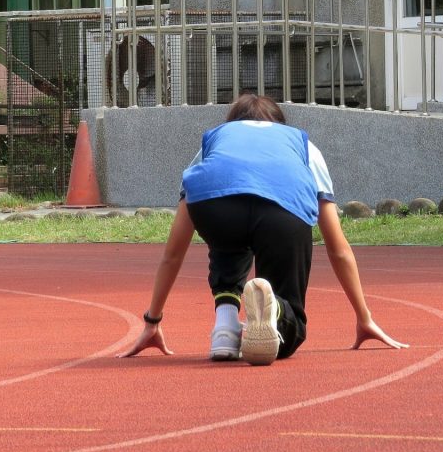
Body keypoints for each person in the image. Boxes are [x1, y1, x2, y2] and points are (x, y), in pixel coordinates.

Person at [119, 93, 407, 365]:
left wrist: (152, 320)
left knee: (229, 236)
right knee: (290, 329)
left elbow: (173, 252)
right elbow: (337, 247)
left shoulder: (217, 140)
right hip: (282, 213)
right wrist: (363, 316)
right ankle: (278, 310)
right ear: (279, 123)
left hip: (216, 212)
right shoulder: (302, 145)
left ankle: (225, 326)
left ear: (232, 122)